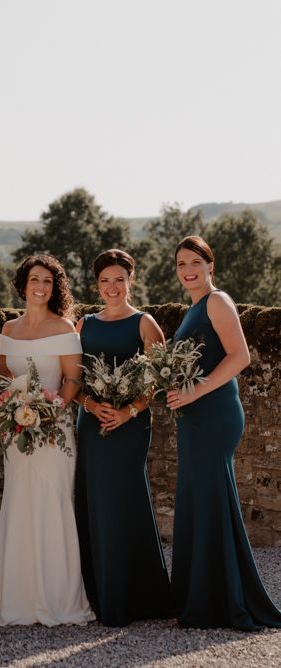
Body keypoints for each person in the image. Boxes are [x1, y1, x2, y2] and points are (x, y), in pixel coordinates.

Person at [167, 236, 281, 630]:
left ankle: (219, 602)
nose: (188, 269)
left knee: (211, 499)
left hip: (214, 416)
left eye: (195, 261)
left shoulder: (217, 301)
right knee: (199, 499)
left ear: (210, 264)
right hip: (194, 416)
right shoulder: (193, 308)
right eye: (181, 263)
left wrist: (195, 390)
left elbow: (241, 356)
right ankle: (200, 595)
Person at [0, 255, 95, 626]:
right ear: (23, 284)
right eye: (34, 279)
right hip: (16, 432)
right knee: (19, 503)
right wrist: (13, 409)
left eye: (48, 281)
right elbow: (2, 377)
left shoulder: (64, 327)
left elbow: (72, 380)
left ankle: (57, 598)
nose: (40, 286)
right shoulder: (8, 329)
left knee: (54, 501)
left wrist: (48, 411)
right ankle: (18, 599)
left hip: (54, 429)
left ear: (55, 287)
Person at [74, 249, 170, 626]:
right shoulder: (83, 324)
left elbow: (160, 378)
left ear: (131, 280)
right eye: (104, 281)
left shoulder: (145, 323)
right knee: (95, 501)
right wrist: (89, 404)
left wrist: (129, 409)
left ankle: (139, 596)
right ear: (96, 284)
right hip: (93, 423)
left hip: (132, 425)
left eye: (119, 279)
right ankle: (99, 594)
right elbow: (73, 379)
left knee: (126, 500)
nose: (112, 287)